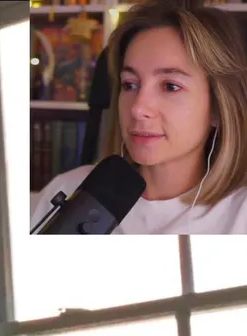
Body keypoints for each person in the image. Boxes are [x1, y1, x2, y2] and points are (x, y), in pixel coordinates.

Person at [31, 0, 247, 234]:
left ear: (218, 108)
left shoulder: (239, 216)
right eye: (129, 84)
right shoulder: (67, 189)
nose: (137, 108)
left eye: (171, 86)